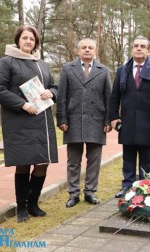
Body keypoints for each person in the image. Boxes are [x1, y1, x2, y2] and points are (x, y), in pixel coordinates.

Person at [0, 26, 58, 222]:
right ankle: (22, 207)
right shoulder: (7, 61)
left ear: (36, 43)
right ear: (18, 40)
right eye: (25, 38)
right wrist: (22, 104)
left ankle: (33, 204)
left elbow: (53, 86)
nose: (28, 41)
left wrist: (52, 93)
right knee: (23, 163)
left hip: (42, 120)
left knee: (42, 162)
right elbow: (0, 89)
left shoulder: (42, 64)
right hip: (20, 120)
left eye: (32, 39)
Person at [57, 38, 112, 208]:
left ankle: (90, 192)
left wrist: (108, 120)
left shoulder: (104, 71)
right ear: (78, 51)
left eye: (90, 47)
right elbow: (62, 96)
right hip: (73, 121)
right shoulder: (67, 69)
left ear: (95, 51)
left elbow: (108, 97)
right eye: (84, 47)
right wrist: (62, 118)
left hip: (97, 120)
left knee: (94, 160)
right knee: (73, 161)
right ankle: (73, 194)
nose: (87, 50)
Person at [111, 36, 150, 198]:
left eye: (142, 46)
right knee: (128, 156)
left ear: (148, 50)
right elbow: (114, 97)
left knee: (146, 158)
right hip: (127, 121)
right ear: (132, 49)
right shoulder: (122, 70)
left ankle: (145, 186)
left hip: (148, 123)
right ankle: (127, 185)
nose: (139, 48)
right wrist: (113, 117)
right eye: (136, 46)